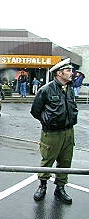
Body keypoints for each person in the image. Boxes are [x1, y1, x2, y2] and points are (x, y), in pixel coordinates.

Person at [30, 58, 78, 204]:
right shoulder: (46, 89)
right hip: (51, 133)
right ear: (59, 73)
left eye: (71, 70)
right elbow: (35, 111)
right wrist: (48, 122)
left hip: (68, 132)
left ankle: (60, 188)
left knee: (65, 161)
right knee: (47, 160)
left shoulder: (69, 88)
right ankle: (42, 186)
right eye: (68, 70)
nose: (72, 73)